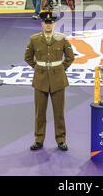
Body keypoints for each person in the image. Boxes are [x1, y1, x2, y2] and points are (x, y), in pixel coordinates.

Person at [25, 11, 75, 152]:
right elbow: (28, 57)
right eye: (46, 23)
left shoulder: (62, 39)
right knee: (39, 113)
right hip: (40, 80)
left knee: (59, 113)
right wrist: (39, 68)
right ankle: (39, 139)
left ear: (54, 24)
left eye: (51, 23)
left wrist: (59, 68)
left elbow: (70, 57)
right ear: (42, 24)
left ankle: (61, 140)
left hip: (58, 80)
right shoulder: (34, 39)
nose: (48, 25)